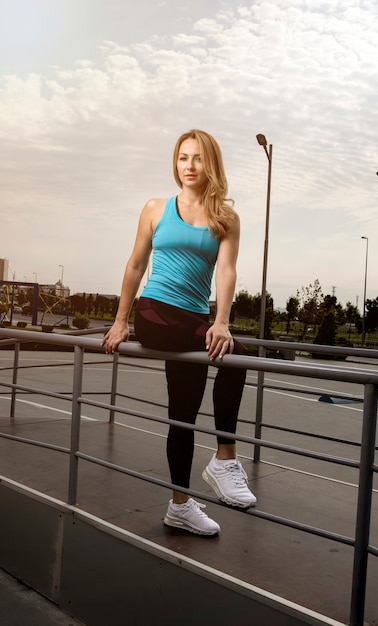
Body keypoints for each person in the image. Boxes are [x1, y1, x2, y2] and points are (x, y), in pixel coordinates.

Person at [102, 129, 256, 536]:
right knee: (235, 353)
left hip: (193, 321)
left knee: (184, 413)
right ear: (176, 163)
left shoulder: (226, 217)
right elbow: (136, 265)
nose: (189, 166)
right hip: (155, 313)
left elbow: (226, 271)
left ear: (212, 165)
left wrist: (220, 321)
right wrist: (120, 320)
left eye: (198, 158)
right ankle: (225, 459)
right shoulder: (155, 208)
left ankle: (180, 504)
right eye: (183, 158)